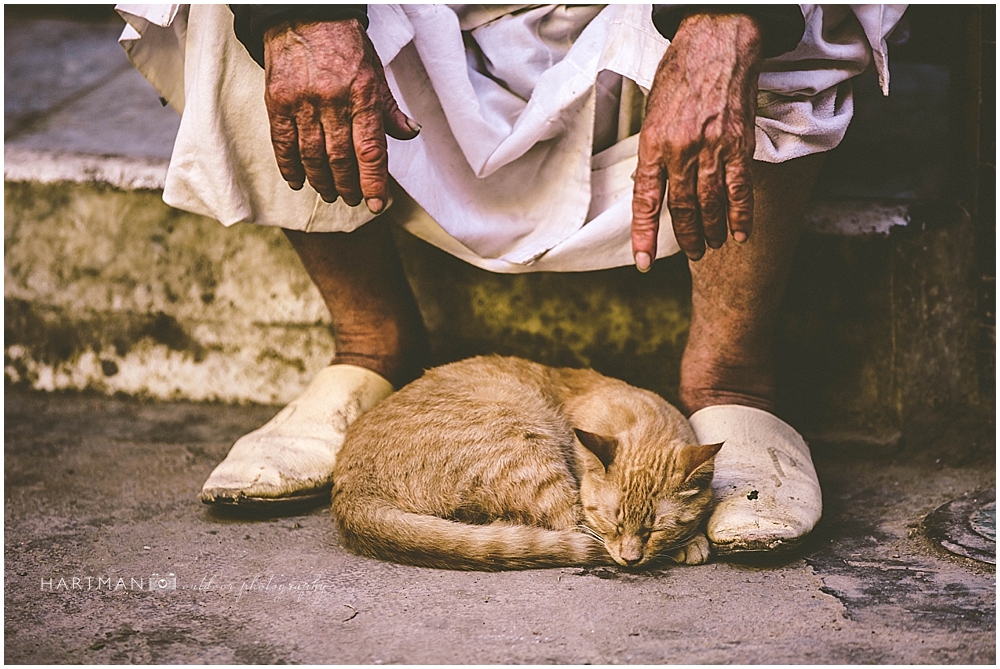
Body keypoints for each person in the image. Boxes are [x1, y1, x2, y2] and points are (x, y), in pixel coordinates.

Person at [118, 4, 906, 555]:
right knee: (237, 10)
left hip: (648, 24)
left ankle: (733, 379)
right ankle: (367, 345)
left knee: (780, 14)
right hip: (426, 37)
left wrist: (722, 15)